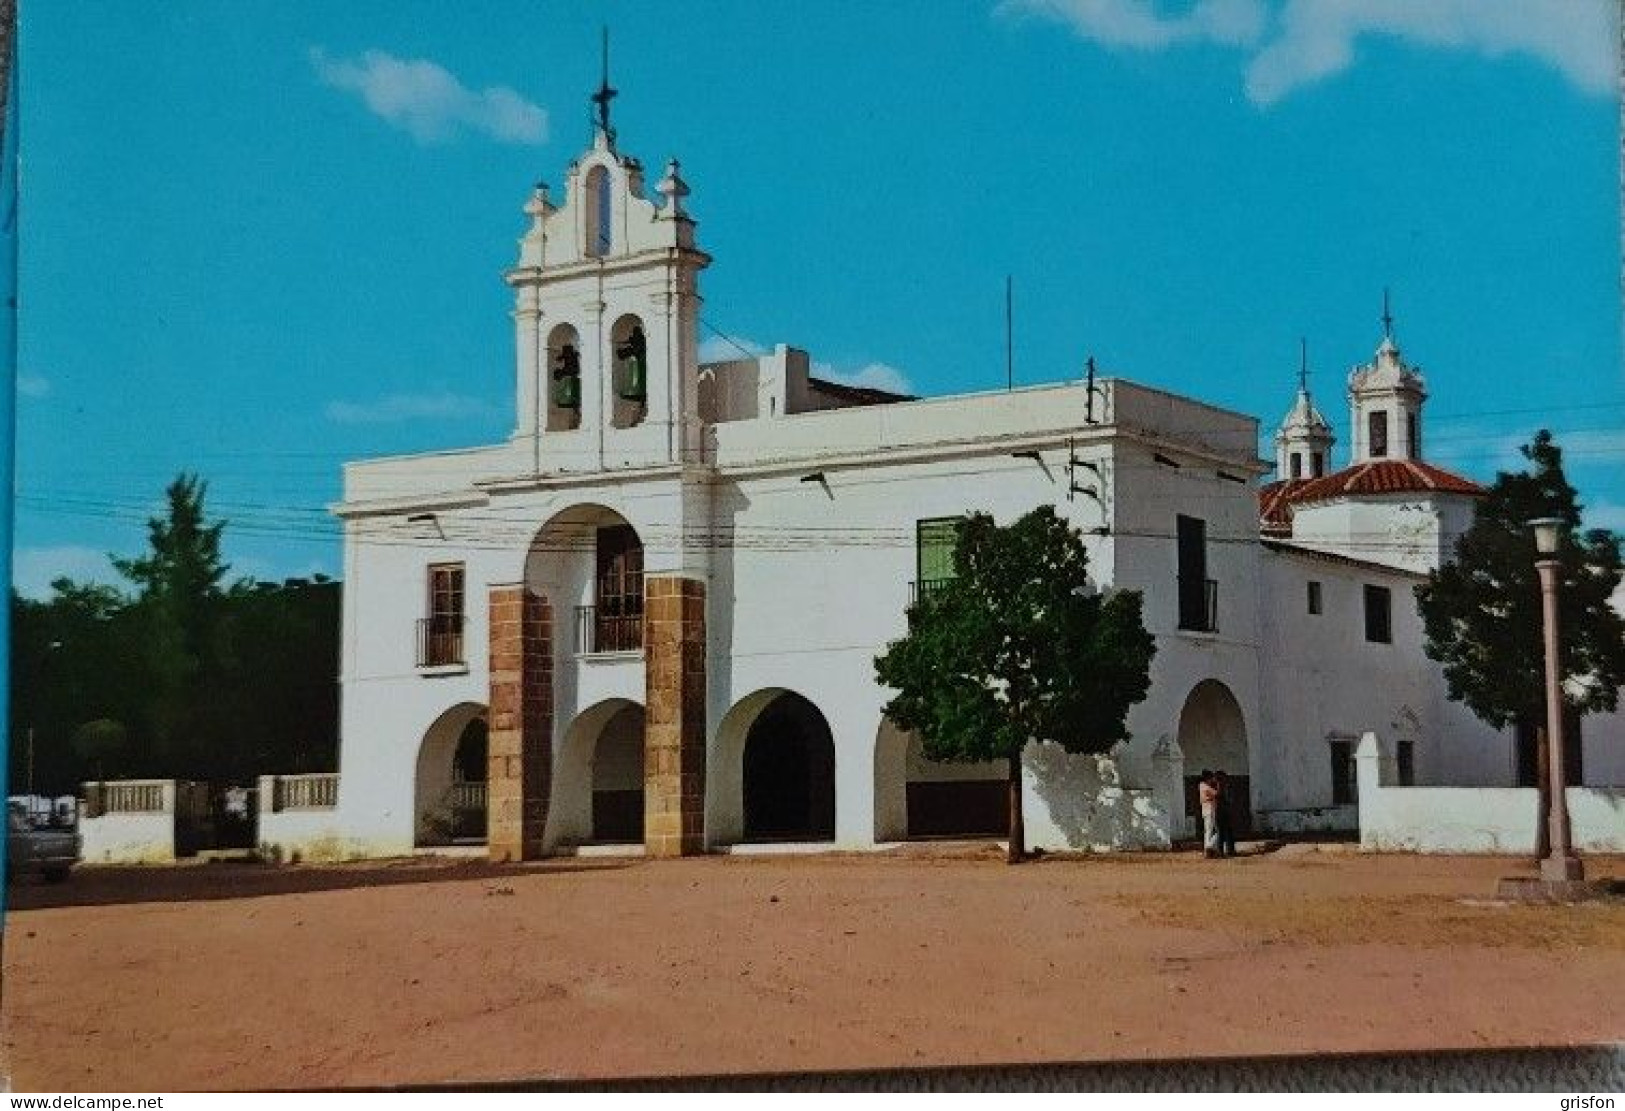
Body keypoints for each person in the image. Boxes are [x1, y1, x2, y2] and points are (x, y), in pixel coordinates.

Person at [1214, 769, 1237, 857]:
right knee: (1228, 832)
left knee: (1222, 832)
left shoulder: (1219, 786)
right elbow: (1229, 800)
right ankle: (1229, 850)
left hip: (1220, 811)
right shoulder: (1225, 786)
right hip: (1225, 811)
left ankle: (1222, 851)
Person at [1198, 769, 1219, 858]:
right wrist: (1217, 784)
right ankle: (1209, 846)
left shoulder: (1201, 785)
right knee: (1215, 831)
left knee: (1208, 831)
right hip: (1210, 809)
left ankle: (1208, 849)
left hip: (1205, 810)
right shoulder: (1206, 786)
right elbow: (1216, 793)